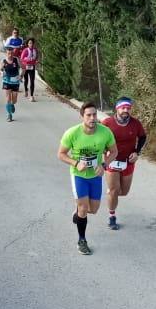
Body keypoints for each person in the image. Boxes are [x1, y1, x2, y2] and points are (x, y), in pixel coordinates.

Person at [58, 101, 117, 255]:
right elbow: (61, 154)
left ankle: (78, 211)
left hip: (95, 176)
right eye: (88, 115)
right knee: (84, 209)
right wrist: (75, 163)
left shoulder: (105, 132)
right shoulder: (72, 133)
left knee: (94, 209)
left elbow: (114, 152)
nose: (92, 118)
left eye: (94, 114)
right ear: (82, 116)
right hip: (79, 176)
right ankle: (81, 240)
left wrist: (104, 165)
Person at [102, 97, 148, 230]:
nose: (125, 110)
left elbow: (143, 137)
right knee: (114, 191)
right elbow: (99, 138)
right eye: (123, 108)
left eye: (128, 108)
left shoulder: (135, 123)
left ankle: (112, 192)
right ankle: (112, 216)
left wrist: (137, 152)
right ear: (117, 108)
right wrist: (105, 151)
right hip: (112, 160)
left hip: (128, 162)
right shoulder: (107, 123)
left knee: (124, 192)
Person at [0, 45, 21, 121]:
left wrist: (20, 75)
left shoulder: (16, 60)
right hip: (7, 81)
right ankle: (9, 115)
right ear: (6, 53)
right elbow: (0, 70)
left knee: (14, 100)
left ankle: (12, 105)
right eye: (8, 53)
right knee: (8, 98)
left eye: (11, 53)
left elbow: (21, 68)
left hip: (15, 81)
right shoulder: (3, 61)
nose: (10, 55)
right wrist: (2, 73)